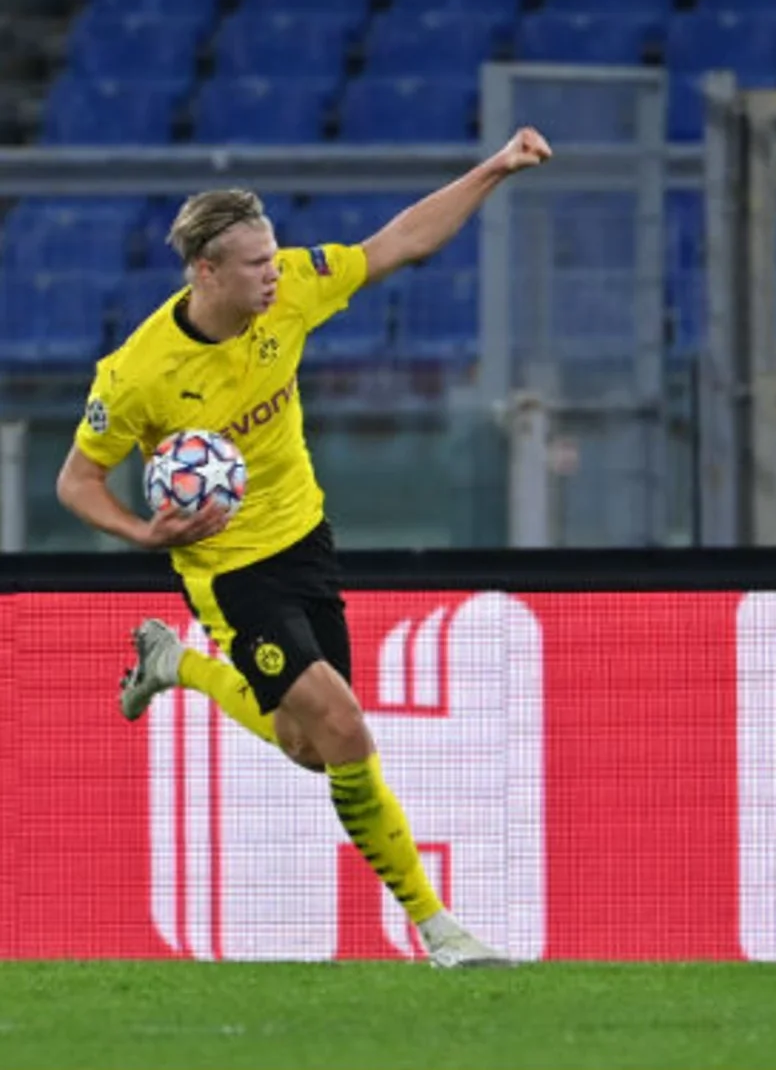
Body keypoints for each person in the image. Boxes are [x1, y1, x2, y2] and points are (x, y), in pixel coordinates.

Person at [56, 127, 554, 968]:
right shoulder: (137, 374)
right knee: (345, 728)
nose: (274, 272)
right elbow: (76, 481)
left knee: (310, 748)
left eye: (274, 256)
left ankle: (177, 665)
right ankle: (438, 930)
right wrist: (146, 534)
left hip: (306, 540)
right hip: (228, 570)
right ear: (205, 272)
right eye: (256, 263)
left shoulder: (291, 290)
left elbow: (400, 242)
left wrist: (494, 170)